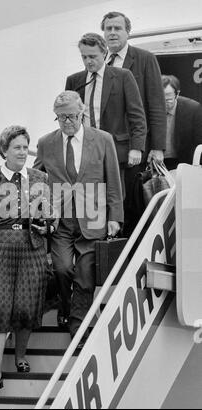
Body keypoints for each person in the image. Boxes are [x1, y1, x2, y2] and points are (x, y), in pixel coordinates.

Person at [0, 125, 55, 395]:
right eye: (16, 147)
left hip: (32, 249)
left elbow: (51, 217)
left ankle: (20, 356)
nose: (22, 152)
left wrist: (46, 227)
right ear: (3, 150)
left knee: (27, 308)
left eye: (25, 147)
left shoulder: (40, 177)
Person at [33, 90, 124, 347]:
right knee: (62, 270)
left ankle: (77, 328)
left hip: (93, 218)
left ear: (82, 113)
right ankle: (65, 307)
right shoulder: (46, 143)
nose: (66, 122)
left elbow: (113, 180)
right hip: (61, 219)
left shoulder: (103, 140)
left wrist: (115, 216)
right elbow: (37, 178)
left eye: (71, 116)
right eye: (60, 118)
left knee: (84, 276)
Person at [101, 11, 167, 234]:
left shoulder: (144, 59)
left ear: (127, 32)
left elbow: (157, 104)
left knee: (132, 204)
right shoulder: (100, 62)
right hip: (107, 146)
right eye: (108, 28)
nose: (112, 33)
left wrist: (157, 147)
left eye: (117, 28)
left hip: (135, 147)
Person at [65, 32, 146, 198]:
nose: (89, 61)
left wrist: (136, 147)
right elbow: (68, 116)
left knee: (115, 196)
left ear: (104, 53)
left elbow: (137, 115)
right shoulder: (74, 80)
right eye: (84, 57)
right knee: (87, 196)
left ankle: (116, 224)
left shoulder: (123, 76)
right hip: (84, 149)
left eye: (93, 56)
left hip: (115, 148)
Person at [161, 74, 202, 169]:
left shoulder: (193, 109)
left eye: (168, 99)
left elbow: (199, 141)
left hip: (183, 162)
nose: (163, 103)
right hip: (156, 161)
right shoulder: (148, 108)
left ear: (177, 94)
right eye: (160, 99)